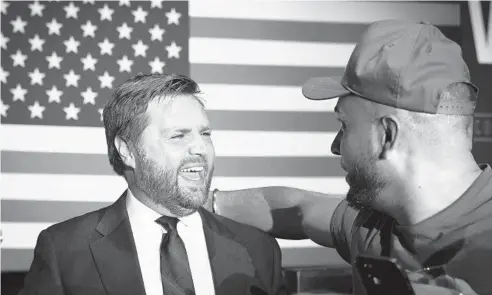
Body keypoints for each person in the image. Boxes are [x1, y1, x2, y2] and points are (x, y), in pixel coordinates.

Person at [208, 20, 492, 295]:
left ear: (386, 136)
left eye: (344, 125)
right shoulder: (376, 227)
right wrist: (197, 202)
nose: (335, 145)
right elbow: (297, 209)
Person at [19, 74, 288, 295]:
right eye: (178, 136)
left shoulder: (259, 250)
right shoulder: (64, 251)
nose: (201, 148)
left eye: (205, 134)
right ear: (127, 150)